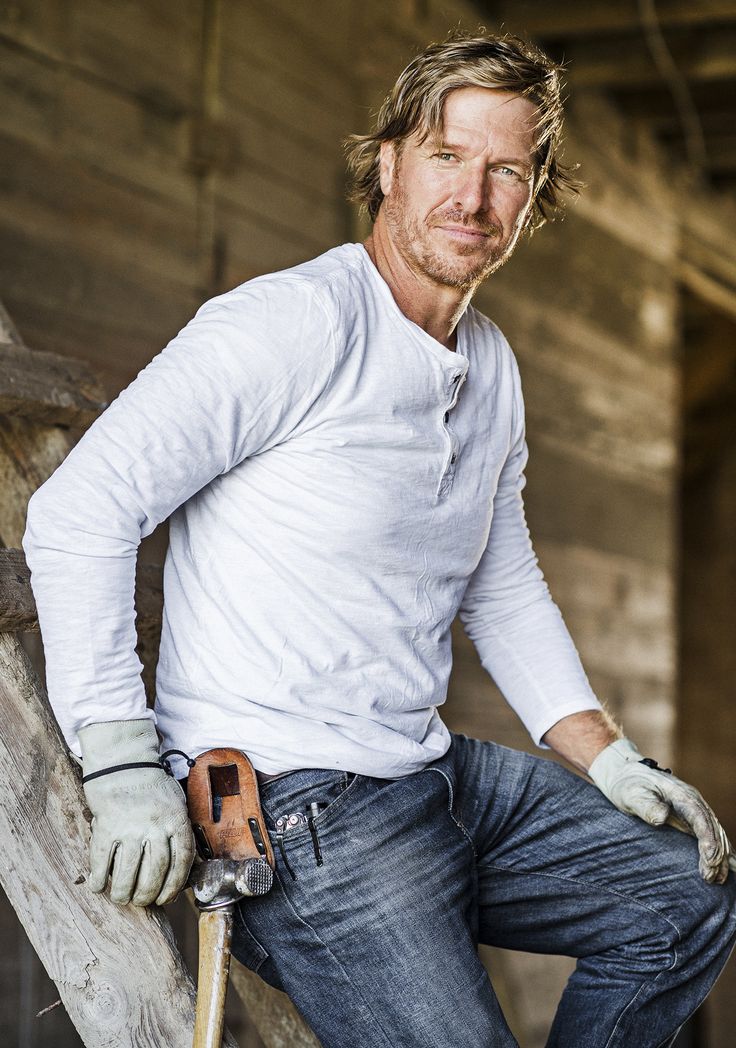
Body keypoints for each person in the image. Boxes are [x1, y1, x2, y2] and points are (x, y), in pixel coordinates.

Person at [23, 30, 736, 1048]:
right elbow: (79, 513)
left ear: (535, 197)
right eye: (449, 157)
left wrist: (608, 757)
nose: (474, 197)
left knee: (687, 897)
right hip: (296, 806)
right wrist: (120, 759)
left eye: (508, 171)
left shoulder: (489, 367)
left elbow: (503, 580)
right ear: (391, 162)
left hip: (428, 772)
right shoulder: (290, 324)